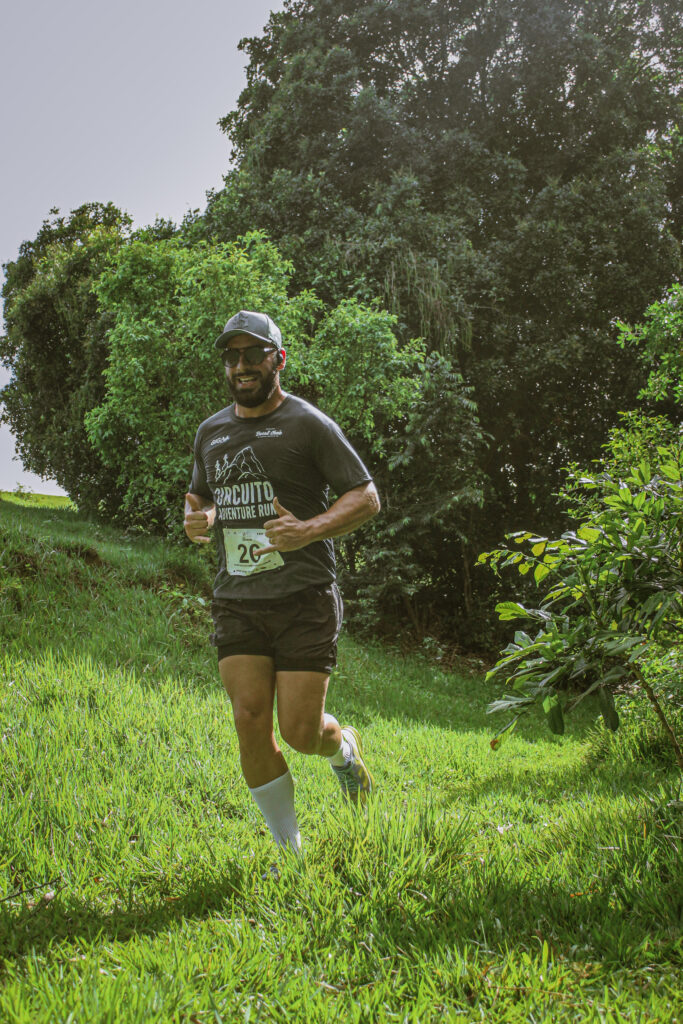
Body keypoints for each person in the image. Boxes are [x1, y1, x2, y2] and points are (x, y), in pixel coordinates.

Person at [184, 310, 381, 855]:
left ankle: (343, 750)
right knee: (249, 718)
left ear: (279, 359)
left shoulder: (308, 423)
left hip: (304, 597)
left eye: (253, 354)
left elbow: (366, 497)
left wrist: (307, 530)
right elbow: (200, 495)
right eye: (232, 356)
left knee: (299, 732)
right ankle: (288, 851)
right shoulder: (211, 431)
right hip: (237, 599)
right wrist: (196, 517)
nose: (241, 365)